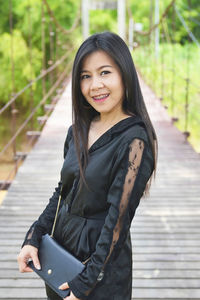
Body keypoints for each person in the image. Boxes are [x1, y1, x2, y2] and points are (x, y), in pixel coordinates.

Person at [17, 31, 158, 300]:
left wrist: (84, 284)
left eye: (105, 72)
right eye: (85, 76)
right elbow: (63, 193)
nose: (95, 85)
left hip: (97, 270)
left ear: (124, 74)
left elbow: (116, 224)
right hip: (60, 256)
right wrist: (34, 236)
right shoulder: (78, 129)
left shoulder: (135, 142)